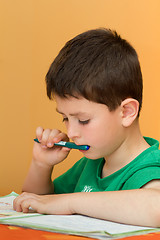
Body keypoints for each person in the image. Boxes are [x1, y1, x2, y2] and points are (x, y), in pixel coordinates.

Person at [13, 28, 160, 227]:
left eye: (83, 120)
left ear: (126, 112)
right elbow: (35, 203)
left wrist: (70, 202)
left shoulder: (149, 168)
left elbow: (155, 207)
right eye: (65, 118)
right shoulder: (91, 163)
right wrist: (41, 165)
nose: (72, 133)